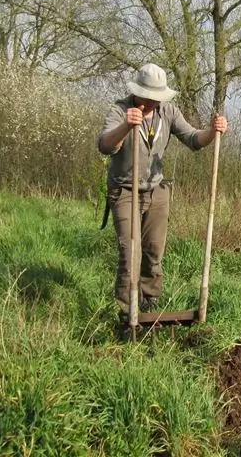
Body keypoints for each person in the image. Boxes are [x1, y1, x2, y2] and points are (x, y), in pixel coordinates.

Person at [98, 63, 227, 317]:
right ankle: (127, 312)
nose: (156, 102)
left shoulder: (168, 111)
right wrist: (126, 125)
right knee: (130, 253)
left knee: (153, 251)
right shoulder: (120, 110)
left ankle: (148, 302)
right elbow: (105, 145)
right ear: (139, 93)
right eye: (152, 97)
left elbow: (193, 139)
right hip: (125, 190)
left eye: (159, 97)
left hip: (156, 190)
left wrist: (213, 131)